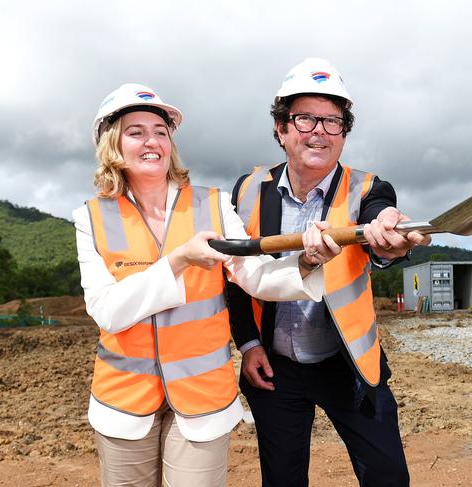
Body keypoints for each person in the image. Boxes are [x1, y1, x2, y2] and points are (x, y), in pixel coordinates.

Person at [73, 82, 341, 486]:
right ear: (113, 143)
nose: (152, 141)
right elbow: (108, 312)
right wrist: (179, 260)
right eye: (136, 132)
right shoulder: (90, 218)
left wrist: (305, 262)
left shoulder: (212, 205)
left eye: (160, 132)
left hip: (202, 403)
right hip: (123, 404)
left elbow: (254, 276)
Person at [227, 58, 431, 487]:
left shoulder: (369, 189)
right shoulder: (248, 190)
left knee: (387, 475)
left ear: (344, 134)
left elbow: (382, 229)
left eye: (333, 121)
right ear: (281, 129)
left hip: (347, 365)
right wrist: (247, 344)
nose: (319, 130)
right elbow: (234, 279)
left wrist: (389, 241)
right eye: (305, 119)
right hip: (274, 367)